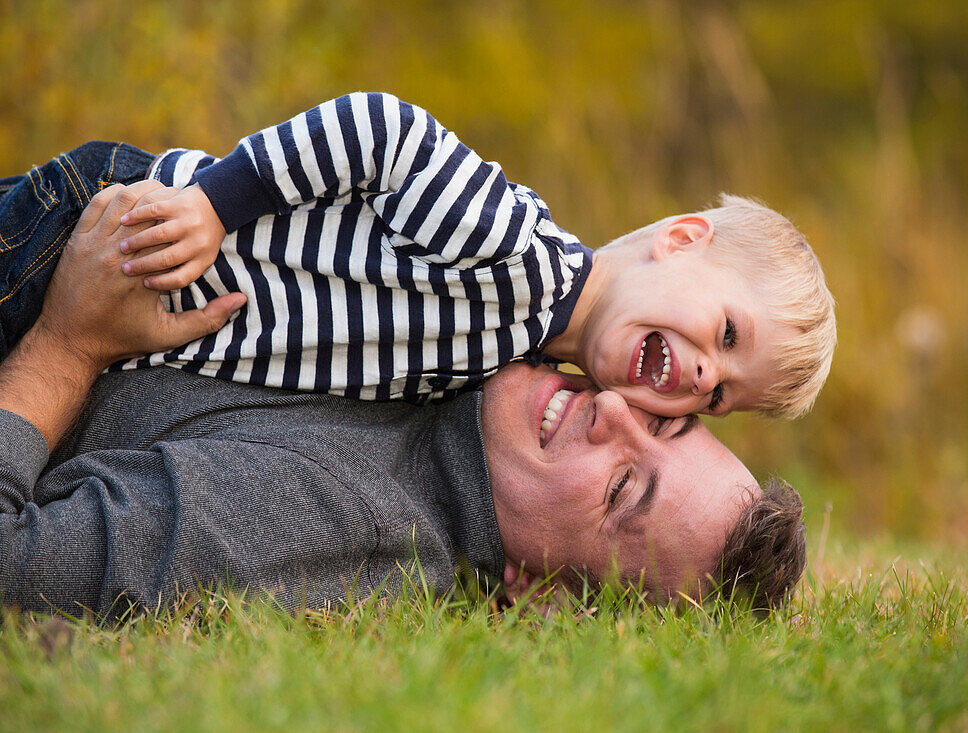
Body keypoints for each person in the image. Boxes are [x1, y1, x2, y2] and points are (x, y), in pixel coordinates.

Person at [0, 182, 807, 619]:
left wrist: (67, 344)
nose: (615, 410)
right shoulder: (467, 353)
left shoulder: (323, 513)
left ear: (541, 590)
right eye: (665, 417)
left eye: (623, 486)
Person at [0, 92, 835, 420]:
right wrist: (219, 205)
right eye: (727, 335)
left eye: (725, 398)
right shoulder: (524, 262)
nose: (700, 379)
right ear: (681, 238)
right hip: (117, 233)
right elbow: (385, 131)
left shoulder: (524, 347)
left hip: (127, 309)